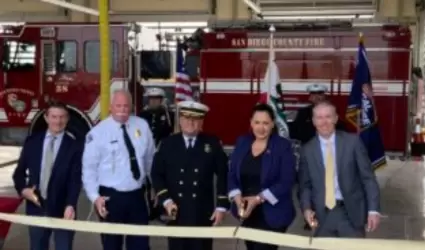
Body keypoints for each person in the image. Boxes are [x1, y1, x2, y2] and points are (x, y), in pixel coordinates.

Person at [82, 89, 155, 250]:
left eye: (126, 106)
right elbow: (89, 170)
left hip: (137, 196)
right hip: (110, 198)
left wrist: (154, 186)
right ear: (110, 107)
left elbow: (150, 158)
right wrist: (95, 198)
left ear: (132, 106)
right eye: (119, 106)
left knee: (140, 245)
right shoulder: (97, 133)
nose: (122, 110)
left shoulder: (142, 126)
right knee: (112, 245)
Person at [151, 100, 229, 250]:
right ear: (180, 120)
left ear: (202, 122)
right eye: (186, 118)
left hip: (202, 212)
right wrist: (166, 200)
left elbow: (223, 174)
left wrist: (221, 206)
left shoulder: (212, 144)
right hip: (175, 211)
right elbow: (156, 174)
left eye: (195, 119)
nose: (190, 123)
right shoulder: (168, 144)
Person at [298, 100, 381, 238]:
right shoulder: (307, 150)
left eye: (328, 116)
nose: (324, 122)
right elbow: (305, 185)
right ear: (313, 121)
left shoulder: (353, 142)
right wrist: (306, 209)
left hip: (351, 213)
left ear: (336, 118)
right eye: (319, 117)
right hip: (321, 215)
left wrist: (373, 210)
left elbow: (368, 178)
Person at [12, 102, 82, 250]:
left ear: (68, 119)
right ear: (46, 118)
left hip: (64, 210)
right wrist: (24, 191)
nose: (58, 121)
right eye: (54, 117)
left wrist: (70, 204)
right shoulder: (32, 142)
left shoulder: (75, 146)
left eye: (62, 117)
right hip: (36, 208)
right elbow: (18, 174)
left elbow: (75, 180)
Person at [228, 103, 297, 250]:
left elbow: (287, 180)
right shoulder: (242, 142)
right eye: (257, 122)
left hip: (273, 214)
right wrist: (236, 196)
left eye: (265, 123)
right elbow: (232, 174)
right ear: (251, 123)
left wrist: (258, 199)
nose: (261, 127)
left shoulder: (282, 146)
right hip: (246, 212)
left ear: (272, 124)